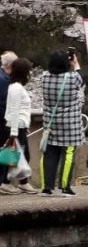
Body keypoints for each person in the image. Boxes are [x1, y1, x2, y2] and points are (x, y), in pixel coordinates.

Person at [40, 49, 85, 197]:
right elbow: (82, 78)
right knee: (68, 154)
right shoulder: (72, 78)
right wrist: (76, 64)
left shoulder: (44, 77)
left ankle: (47, 187)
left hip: (51, 124)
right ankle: (65, 187)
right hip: (69, 124)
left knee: (49, 154)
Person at [2, 58, 37, 194]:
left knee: (21, 155)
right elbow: (15, 110)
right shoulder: (16, 88)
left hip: (18, 125)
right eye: (28, 71)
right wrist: (14, 131)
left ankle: (22, 183)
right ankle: (6, 183)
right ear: (23, 72)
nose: (30, 73)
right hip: (15, 127)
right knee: (13, 155)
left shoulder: (16, 86)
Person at [0, 51, 15, 191]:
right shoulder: (5, 80)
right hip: (4, 120)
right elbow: (6, 101)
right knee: (5, 149)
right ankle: (3, 181)